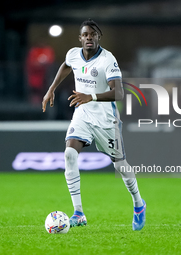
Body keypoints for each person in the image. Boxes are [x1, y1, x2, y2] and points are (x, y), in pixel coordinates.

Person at [42, 19, 146, 231]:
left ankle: (138, 203)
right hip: (83, 114)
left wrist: (91, 96)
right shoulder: (73, 54)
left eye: (93, 34)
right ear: (80, 38)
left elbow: (118, 92)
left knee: (119, 165)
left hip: (107, 120)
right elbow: (66, 66)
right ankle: (78, 213)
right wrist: (51, 88)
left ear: (99, 37)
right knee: (69, 154)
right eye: (85, 34)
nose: (89, 37)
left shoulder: (108, 60)